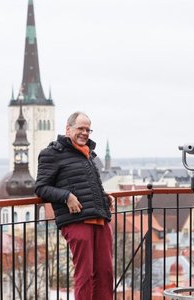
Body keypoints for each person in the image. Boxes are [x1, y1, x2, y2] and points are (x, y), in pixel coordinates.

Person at [34, 111, 114, 300]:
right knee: (84, 275)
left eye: (88, 129)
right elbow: (41, 187)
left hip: (99, 217)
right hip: (75, 220)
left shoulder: (88, 153)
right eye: (81, 128)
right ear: (68, 129)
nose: (85, 133)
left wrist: (103, 197)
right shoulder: (52, 153)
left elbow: (85, 184)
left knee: (105, 273)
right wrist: (66, 196)